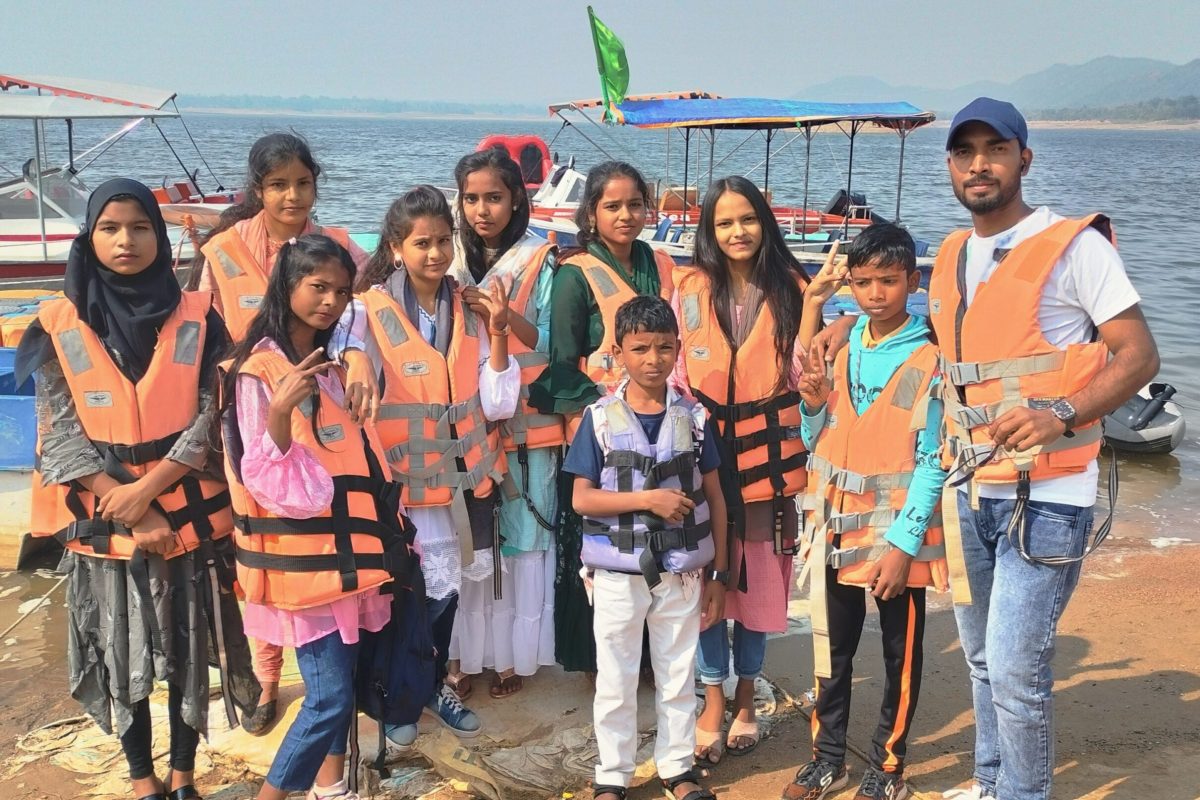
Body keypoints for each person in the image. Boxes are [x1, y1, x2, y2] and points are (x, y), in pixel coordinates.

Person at [930, 99, 1159, 800]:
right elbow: (943, 355)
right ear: (950, 165)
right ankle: (991, 782)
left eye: (994, 149)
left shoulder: (1073, 246)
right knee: (979, 660)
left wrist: (1060, 412)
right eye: (965, 152)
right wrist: (836, 333)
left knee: (1014, 666)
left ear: (1023, 159)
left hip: (1047, 499)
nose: (979, 165)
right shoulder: (950, 253)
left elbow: (1138, 355)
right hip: (970, 491)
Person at [16, 179, 259, 800]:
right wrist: (124, 504)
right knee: (120, 657)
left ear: (159, 234)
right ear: (90, 236)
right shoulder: (57, 323)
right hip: (107, 527)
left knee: (185, 653)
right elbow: (59, 432)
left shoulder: (200, 318)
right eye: (110, 228)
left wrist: (150, 492)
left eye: (141, 227)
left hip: (184, 522)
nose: (127, 240)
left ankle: (182, 777)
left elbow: (213, 416)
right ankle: (141, 778)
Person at [190, 132, 377, 734]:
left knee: (321, 545)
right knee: (259, 542)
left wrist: (360, 357)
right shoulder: (219, 251)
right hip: (250, 412)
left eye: (302, 183)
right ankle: (266, 676)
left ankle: (332, 677)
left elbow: (362, 316)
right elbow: (195, 335)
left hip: (319, 412)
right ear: (257, 191)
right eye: (278, 185)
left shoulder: (339, 246)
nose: (292, 195)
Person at [220, 234, 410, 800]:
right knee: (325, 699)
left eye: (339, 291)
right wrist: (280, 413)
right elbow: (267, 476)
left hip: (347, 556)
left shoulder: (330, 366)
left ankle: (332, 789)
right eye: (316, 288)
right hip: (305, 563)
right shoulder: (259, 372)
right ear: (286, 287)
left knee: (342, 687)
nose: (328, 301)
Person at [339, 185, 519, 749]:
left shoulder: (470, 306)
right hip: (397, 488)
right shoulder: (362, 312)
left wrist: (497, 334)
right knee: (404, 596)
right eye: (422, 243)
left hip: (459, 484)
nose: (436, 253)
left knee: (446, 595)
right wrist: (352, 361)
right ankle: (399, 697)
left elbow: (498, 404)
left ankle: (430, 684)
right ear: (396, 248)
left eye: (444, 241)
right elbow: (341, 356)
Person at [782, 223, 948, 800]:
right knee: (832, 648)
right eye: (864, 282)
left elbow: (933, 460)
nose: (875, 293)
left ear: (912, 281)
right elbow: (816, 437)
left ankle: (888, 766)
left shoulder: (929, 358)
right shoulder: (843, 347)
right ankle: (827, 758)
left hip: (895, 539)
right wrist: (809, 407)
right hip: (832, 528)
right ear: (849, 283)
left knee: (899, 656)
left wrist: (903, 546)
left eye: (889, 281)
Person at [563, 295, 727, 800]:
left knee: (678, 671)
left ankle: (677, 769)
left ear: (678, 348)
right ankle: (613, 774)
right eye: (640, 348)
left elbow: (716, 498)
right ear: (618, 353)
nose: (653, 359)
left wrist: (719, 573)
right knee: (615, 675)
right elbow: (581, 498)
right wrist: (648, 499)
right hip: (618, 574)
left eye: (663, 348)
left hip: (681, 573)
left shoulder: (695, 419)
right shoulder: (598, 419)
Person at [671, 176, 811, 762]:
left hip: (766, 474)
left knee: (755, 592)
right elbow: (674, 371)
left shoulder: (795, 289)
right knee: (706, 587)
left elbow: (809, 378)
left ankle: (747, 696)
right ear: (709, 229)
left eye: (747, 219)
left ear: (765, 222)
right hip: (703, 468)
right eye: (724, 222)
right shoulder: (690, 289)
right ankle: (711, 697)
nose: (737, 232)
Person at [528, 161, 676, 674]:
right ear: (591, 212)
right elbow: (563, 364)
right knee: (600, 543)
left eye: (635, 204)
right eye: (612, 206)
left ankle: (656, 658)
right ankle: (599, 661)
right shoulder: (574, 274)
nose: (626, 215)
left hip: (661, 421)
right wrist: (612, 405)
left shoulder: (658, 264)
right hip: (603, 426)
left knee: (660, 535)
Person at [446, 147, 560, 698]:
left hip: (524, 423)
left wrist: (500, 317)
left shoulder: (543, 260)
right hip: (464, 423)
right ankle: (466, 654)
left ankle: (513, 656)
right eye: (471, 198)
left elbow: (550, 341)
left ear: (517, 198)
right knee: (470, 538)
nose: (482, 210)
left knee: (522, 538)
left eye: (494, 197)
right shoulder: (448, 259)